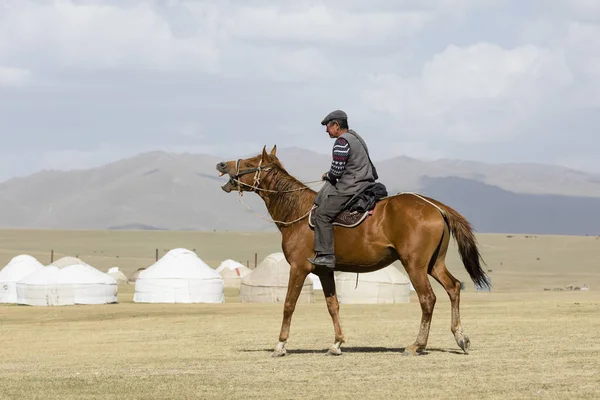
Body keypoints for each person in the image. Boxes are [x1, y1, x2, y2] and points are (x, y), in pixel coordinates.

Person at [308, 110, 379, 269]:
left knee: (322, 214)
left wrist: (329, 176)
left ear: (336, 125)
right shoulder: (356, 138)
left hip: (351, 186)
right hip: (365, 183)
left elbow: (337, 171)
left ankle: (326, 255)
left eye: (328, 126)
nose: (326, 130)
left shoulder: (341, 142)